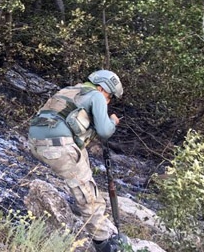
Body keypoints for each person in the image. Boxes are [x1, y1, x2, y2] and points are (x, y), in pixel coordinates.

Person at [27, 70, 129, 252]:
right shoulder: (96, 96)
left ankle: (95, 227)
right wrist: (112, 121)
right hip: (58, 145)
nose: (109, 100)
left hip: (36, 142)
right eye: (110, 95)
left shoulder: (69, 90)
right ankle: (103, 241)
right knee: (87, 192)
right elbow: (105, 131)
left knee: (82, 167)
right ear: (102, 87)